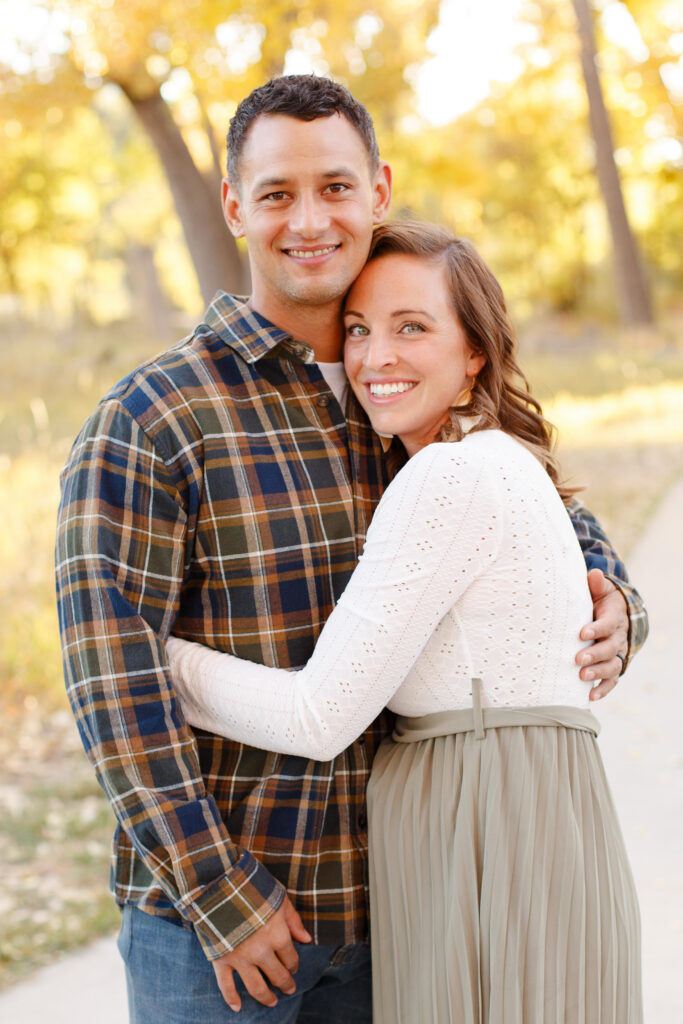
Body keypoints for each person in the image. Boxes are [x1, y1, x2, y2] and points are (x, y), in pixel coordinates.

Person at [55, 76, 646, 1023]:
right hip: (223, 935)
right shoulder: (152, 417)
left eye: (333, 187)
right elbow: (112, 685)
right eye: (278, 193)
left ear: (377, 191)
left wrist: (616, 599)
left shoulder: (403, 391)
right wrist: (219, 892)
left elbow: (544, 520)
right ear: (234, 206)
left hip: (396, 905)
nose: (309, 220)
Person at [166, 221, 642, 1023]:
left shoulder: (447, 476)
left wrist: (157, 659)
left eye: (411, 328)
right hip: (534, 816)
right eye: (358, 330)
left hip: (484, 829)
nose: (375, 357)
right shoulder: (496, 459)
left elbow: (319, 716)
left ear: (474, 355)